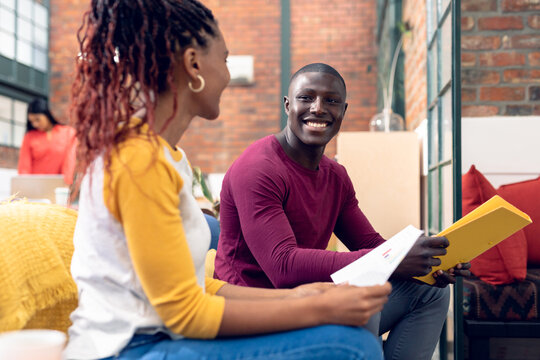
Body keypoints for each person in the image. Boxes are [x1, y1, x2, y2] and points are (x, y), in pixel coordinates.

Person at [65, 2, 391, 360]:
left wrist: (309, 295)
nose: (227, 74)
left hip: (160, 335)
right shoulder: (138, 160)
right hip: (129, 348)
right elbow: (186, 313)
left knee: (348, 332)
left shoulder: (166, 155)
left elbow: (197, 287)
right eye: (224, 59)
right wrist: (321, 308)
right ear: (193, 65)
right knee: (352, 346)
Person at [214, 63, 471, 360]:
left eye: (331, 101)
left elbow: (371, 244)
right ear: (288, 105)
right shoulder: (258, 168)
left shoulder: (335, 176)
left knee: (432, 293)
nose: (319, 108)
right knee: (361, 304)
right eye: (306, 98)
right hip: (256, 311)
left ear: (343, 111)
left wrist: (431, 261)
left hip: (307, 299)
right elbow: (282, 267)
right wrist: (390, 260)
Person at [17, 98, 76, 184]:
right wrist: (24, 187)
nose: (35, 124)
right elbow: (24, 168)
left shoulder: (68, 133)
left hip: (58, 186)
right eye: (32, 121)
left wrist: (65, 186)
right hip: (33, 187)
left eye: (37, 119)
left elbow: (69, 164)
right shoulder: (29, 137)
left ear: (47, 114)